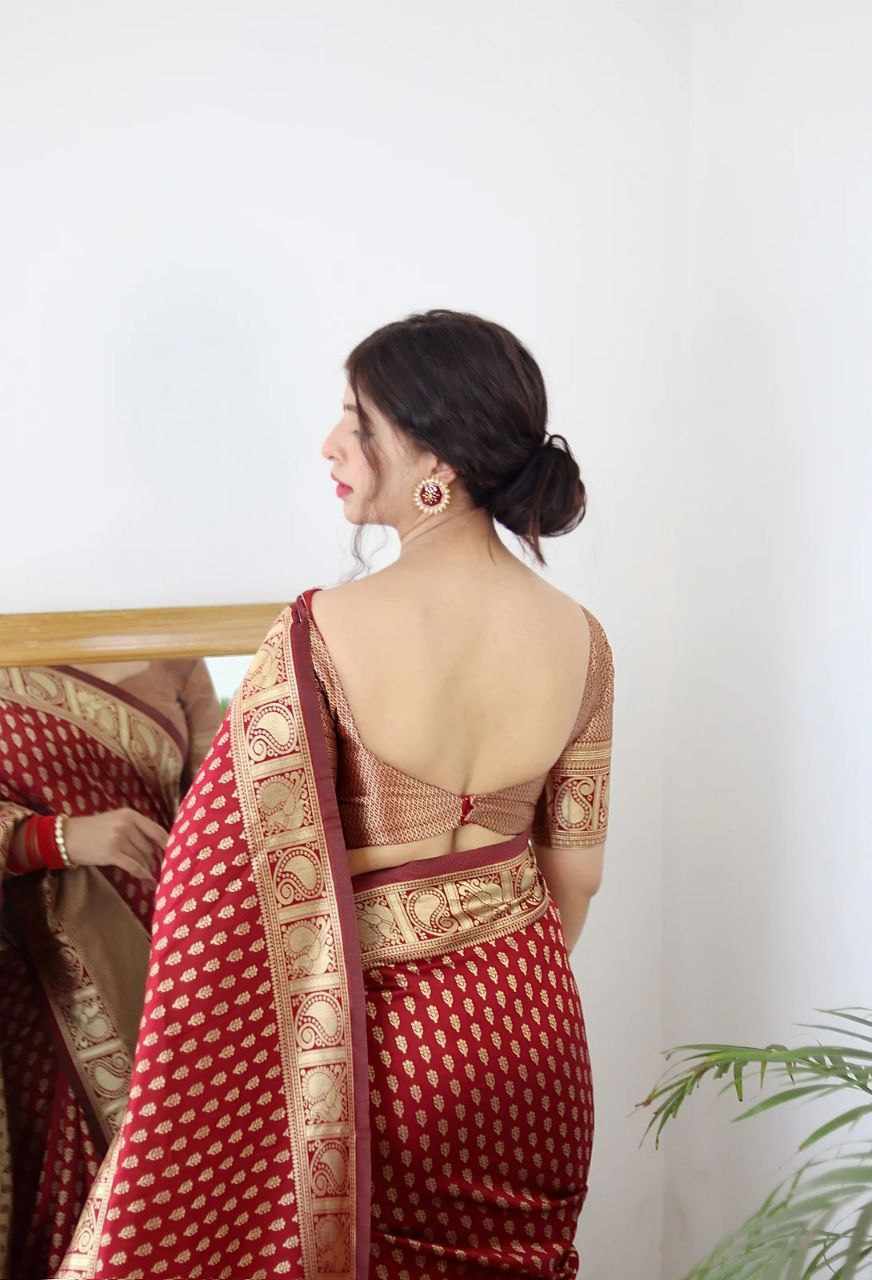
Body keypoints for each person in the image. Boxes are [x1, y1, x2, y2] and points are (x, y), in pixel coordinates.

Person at [56, 308, 614, 1280]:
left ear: (432, 455)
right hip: (532, 1029)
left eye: (356, 421)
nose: (330, 443)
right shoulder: (582, 638)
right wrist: (486, 977)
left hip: (378, 1044)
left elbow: (209, 881)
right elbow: (577, 879)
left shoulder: (319, 631)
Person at [0, 657, 223, 1280]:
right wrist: (57, 838)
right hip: (39, 980)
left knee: (180, 1167)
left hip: (169, 949)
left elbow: (219, 801)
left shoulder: (174, 649)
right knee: (69, 1179)